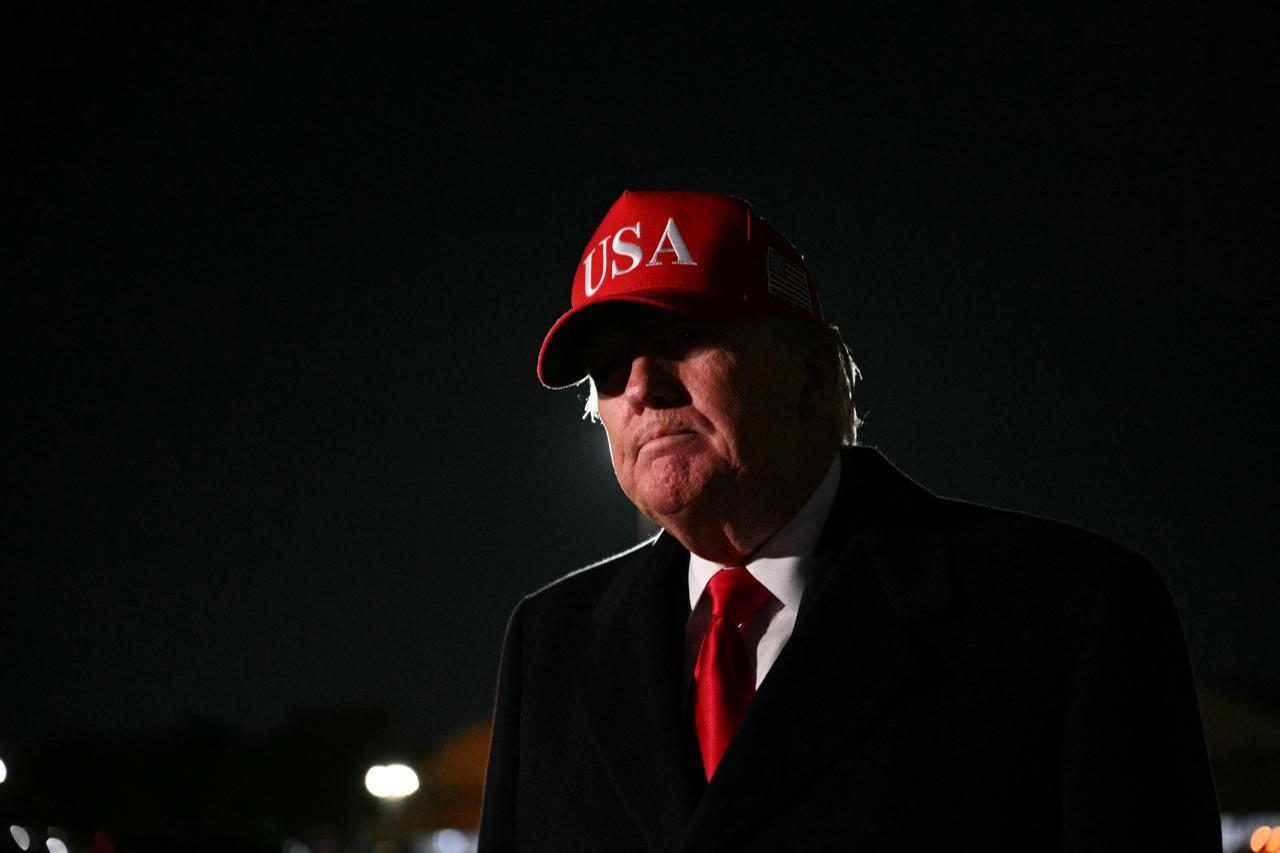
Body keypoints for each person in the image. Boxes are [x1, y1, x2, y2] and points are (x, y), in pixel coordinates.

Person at [478, 190, 1220, 851]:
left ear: (812, 374)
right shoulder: (551, 642)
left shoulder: (1068, 611)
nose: (641, 386)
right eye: (609, 368)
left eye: (681, 338)